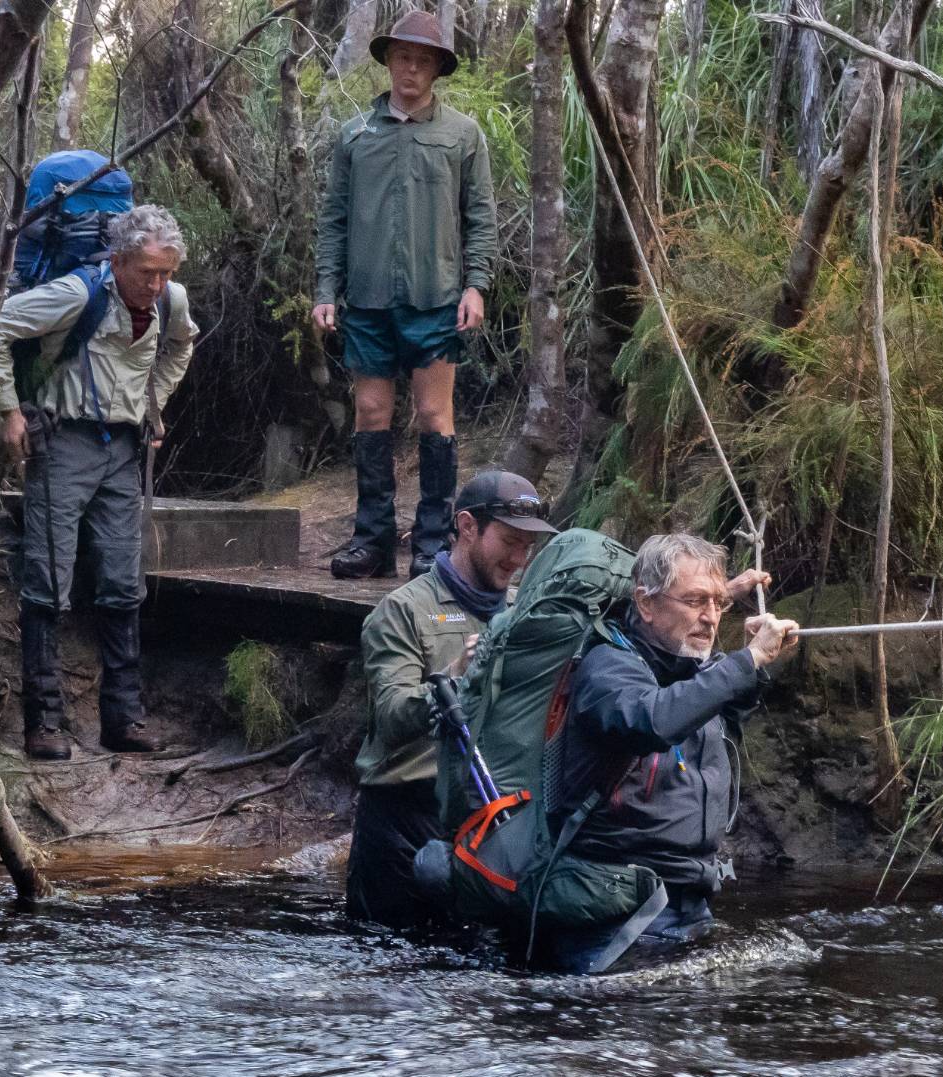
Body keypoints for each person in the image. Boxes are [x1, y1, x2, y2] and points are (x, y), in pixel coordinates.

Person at [0, 205, 199, 761]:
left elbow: (182, 345)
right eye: (147, 271)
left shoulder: (169, 302)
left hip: (124, 450)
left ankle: (123, 719)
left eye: (166, 272)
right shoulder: (78, 295)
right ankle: (44, 723)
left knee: (124, 584)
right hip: (62, 444)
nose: (157, 284)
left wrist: (156, 404)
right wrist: (9, 410)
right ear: (119, 259)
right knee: (46, 583)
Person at [545, 533, 799, 972]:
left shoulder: (686, 670)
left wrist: (747, 672)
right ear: (645, 604)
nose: (711, 617)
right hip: (609, 912)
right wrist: (747, 661)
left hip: (687, 902)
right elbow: (654, 721)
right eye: (697, 600)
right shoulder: (606, 667)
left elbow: (715, 720)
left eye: (719, 602)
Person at [312, 9, 498, 581]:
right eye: (401, 57)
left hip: (436, 298)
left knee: (433, 415)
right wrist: (325, 289)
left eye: (421, 59)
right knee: (370, 413)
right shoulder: (355, 135)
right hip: (366, 301)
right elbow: (334, 219)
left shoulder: (462, 134)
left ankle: (432, 542)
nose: (410, 68)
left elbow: (481, 218)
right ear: (388, 62)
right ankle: (370, 540)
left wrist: (476, 284)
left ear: (437, 68)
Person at [346, 471, 557, 926]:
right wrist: (455, 679)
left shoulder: (526, 612)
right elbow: (391, 719)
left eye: (529, 547)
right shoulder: (403, 610)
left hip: (495, 817)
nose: (520, 558)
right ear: (466, 527)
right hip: (405, 819)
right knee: (392, 971)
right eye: (509, 541)